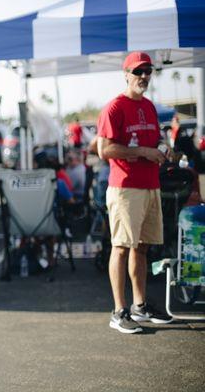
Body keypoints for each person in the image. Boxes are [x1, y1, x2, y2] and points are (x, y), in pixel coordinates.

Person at [97, 51, 173, 334]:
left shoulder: (150, 107)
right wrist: (142, 151)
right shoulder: (114, 107)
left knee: (142, 246)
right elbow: (104, 150)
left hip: (150, 185)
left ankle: (140, 306)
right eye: (138, 71)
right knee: (121, 246)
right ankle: (119, 311)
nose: (143, 77)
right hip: (125, 188)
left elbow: (156, 140)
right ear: (126, 74)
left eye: (148, 71)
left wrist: (164, 150)